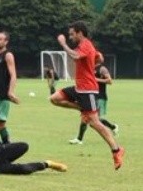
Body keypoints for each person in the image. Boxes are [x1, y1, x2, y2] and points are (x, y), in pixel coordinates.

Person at [50, 21, 124, 170]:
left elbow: (76, 56)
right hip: (79, 88)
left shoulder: (85, 44)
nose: (70, 37)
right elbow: (99, 58)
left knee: (95, 123)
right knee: (54, 98)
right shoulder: (85, 46)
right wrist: (94, 59)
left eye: (72, 34)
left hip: (88, 89)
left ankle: (116, 150)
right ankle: (82, 109)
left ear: (80, 33)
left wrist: (63, 44)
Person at [69, 52, 119, 144]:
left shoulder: (102, 69)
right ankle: (79, 139)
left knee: (94, 120)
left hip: (100, 96)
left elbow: (109, 81)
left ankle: (113, 127)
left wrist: (95, 79)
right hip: (90, 95)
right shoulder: (89, 68)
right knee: (85, 117)